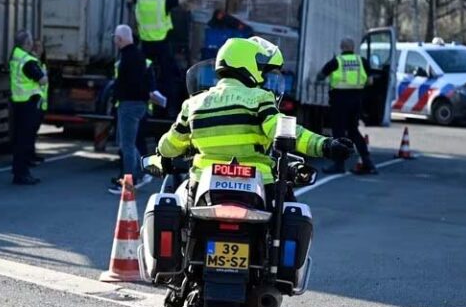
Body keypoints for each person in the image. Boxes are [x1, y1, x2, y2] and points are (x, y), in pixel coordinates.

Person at [157, 36, 354, 203]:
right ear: (247, 63)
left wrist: (160, 154)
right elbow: (281, 130)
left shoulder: (194, 103)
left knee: (175, 209)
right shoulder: (259, 98)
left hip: (202, 186)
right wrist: (325, 145)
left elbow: (170, 145)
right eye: (260, 66)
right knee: (289, 214)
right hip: (257, 186)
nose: (262, 73)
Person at [134, 0, 198, 115]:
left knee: (143, 76)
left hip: (145, 45)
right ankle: (169, 108)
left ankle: (144, 105)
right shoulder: (164, 0)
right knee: (169, 76)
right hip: (161, 44)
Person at [315, 37, 377, 175]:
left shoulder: (337, 61)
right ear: (353, 48)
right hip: (356, 100)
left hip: (339, 100)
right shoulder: (362, 61)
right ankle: (368, 163)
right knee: (353, 131)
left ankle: (339, 164)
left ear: (341, 47)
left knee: (338, 132)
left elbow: (320, 76)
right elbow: (370, 81)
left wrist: (323, 79)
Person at [108, 25, 152, 194]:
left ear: (120, 39)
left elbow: (125, 83)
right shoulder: (139, 55)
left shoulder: (127, 57)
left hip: (129, 104)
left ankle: (128, 183)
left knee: (126, 145)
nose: (115, 41)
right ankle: (140, 174)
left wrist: (116, 97)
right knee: (130, 143)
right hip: (138, 104)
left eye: (115, 38)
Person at [10, 30, 46, 185]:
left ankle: (18, 170)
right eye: (30, 40)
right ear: (27, 43)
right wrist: (43, 72)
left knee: (19, 140)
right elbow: (42, 80)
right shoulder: (28, 61)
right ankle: (22, 173)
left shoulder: (15, 56)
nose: (32, 43)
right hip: (28, 103)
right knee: (25, 140)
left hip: (18, 102)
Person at [30, 40, 48, 166]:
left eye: (40, 46)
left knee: (34, 131)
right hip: (34, 102)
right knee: (30, 132)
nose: (38, 48)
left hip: (41, 103)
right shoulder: (33, 63)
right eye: (36, 46)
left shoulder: (41, 64)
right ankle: (29, 156)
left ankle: (32, 154)